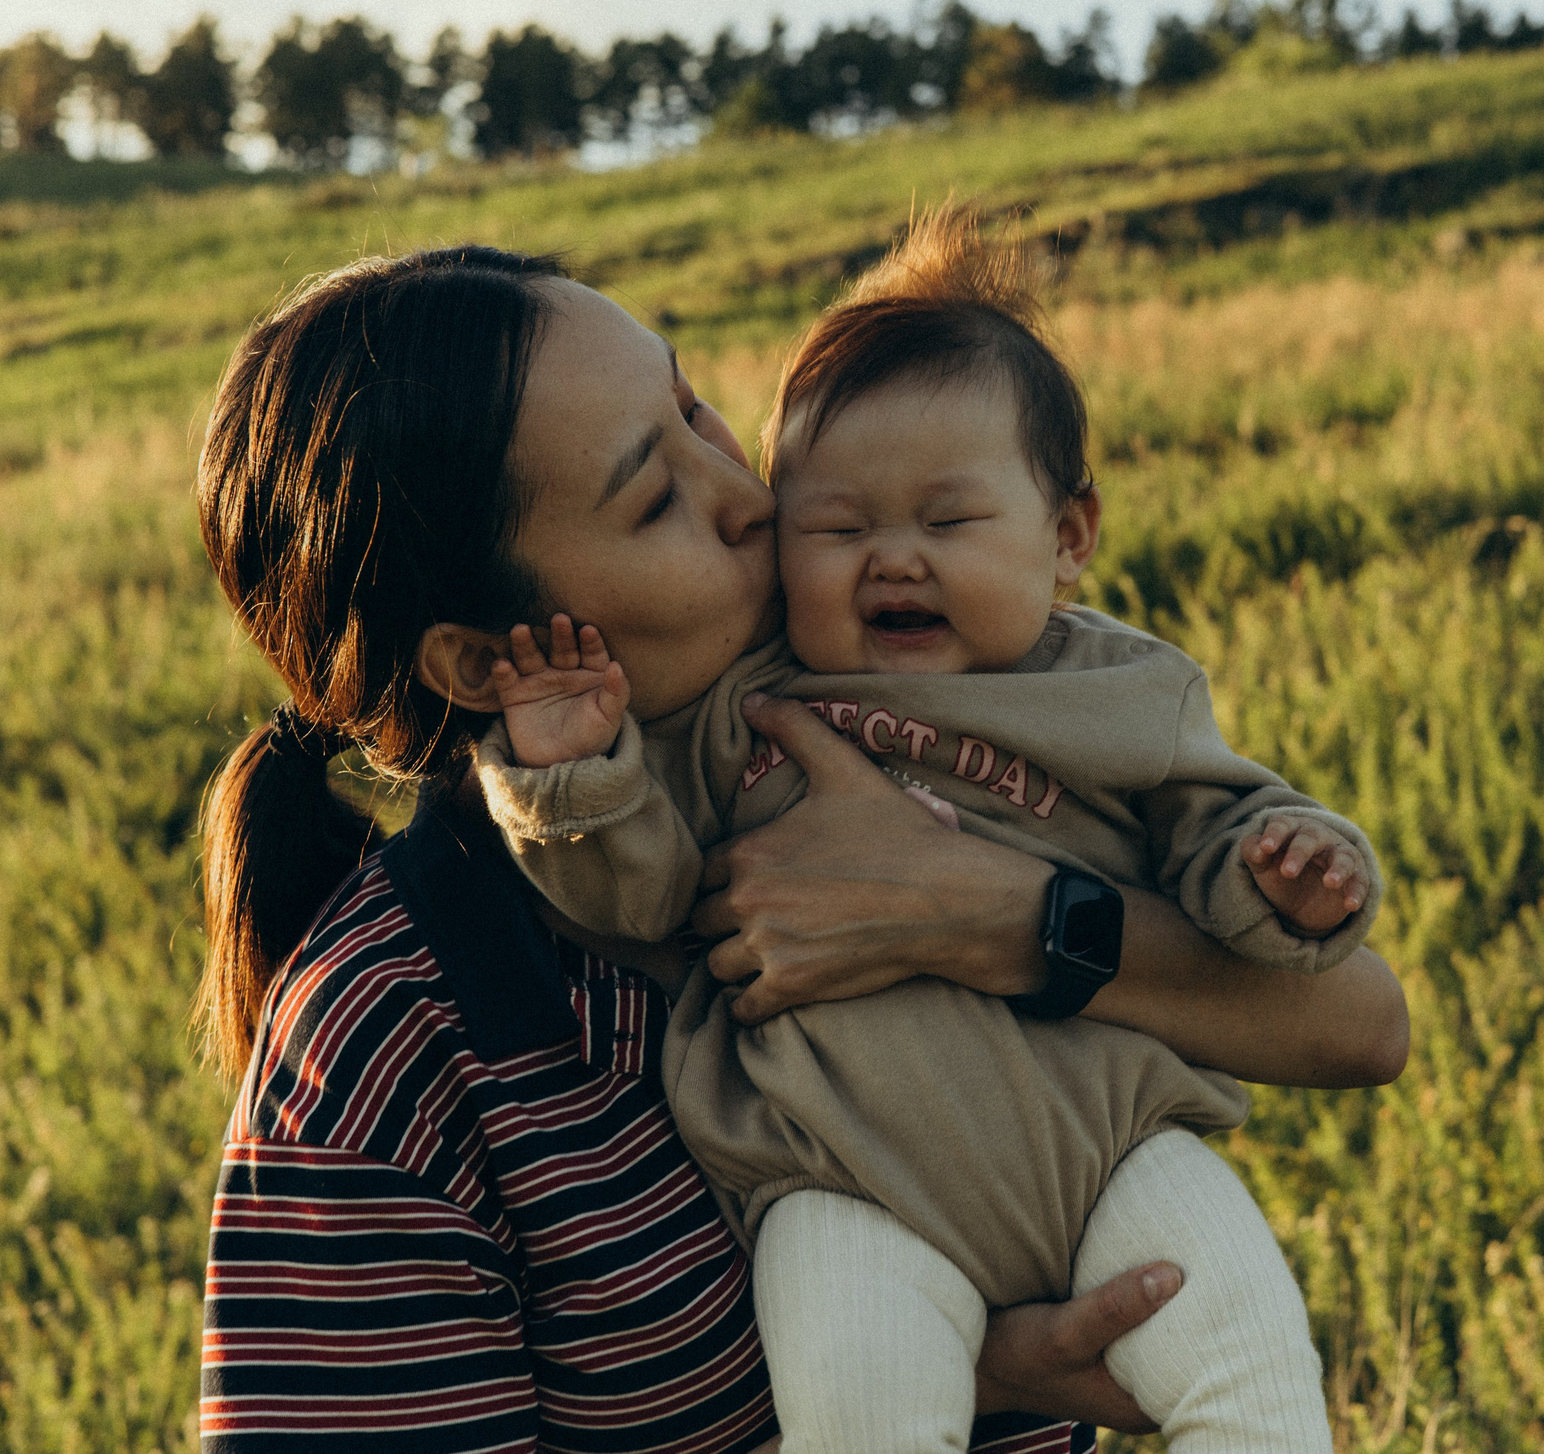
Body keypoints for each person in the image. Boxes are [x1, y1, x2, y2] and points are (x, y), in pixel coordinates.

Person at [193, 244, 1412, 1450]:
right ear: (477, 657)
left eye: (692, 408)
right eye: (656, 498)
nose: (749, 493)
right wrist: (968, 1380)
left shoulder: (909, 705)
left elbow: (1359, 1026)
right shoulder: (383, 1049)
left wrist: (995, 913)